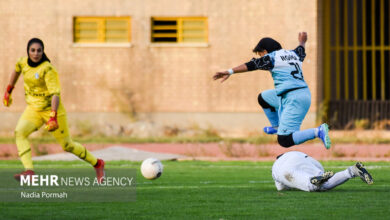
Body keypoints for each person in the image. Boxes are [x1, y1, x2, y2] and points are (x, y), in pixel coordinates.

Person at [3, 38, 105, 182]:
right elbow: (16, 70)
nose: (36, 53)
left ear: (43, 52)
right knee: (20, 132)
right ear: (28, 51)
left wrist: (53, 116)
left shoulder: (47, 69)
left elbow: (55, 95)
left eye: (39, 50)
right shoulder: (22, 62)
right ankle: (29, 171)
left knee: (67, 145)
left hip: (51, 109)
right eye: (33, 50)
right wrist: (8, 90)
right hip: (33, 109)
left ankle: (98, 163)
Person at [213, 32, 331, 149]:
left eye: (260, 54)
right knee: (263, 98)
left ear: (265, 51)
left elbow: (252, 65)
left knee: (284, 140)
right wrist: (302, 42)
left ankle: (317, 131)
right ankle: (276, 126)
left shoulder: (272, 57)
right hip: (294, 94)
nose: (261, 57)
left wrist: (230, 71)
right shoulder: (293, 54)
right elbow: (301, 49)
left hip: (294, 99)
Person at [272, 151, 373, 192]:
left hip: (283, 169)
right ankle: (352, 170)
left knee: (313, 186)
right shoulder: (292, 152)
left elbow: (281, 188)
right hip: (305, 158)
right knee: (325, 181)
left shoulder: (275, 165)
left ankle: (313, 182)